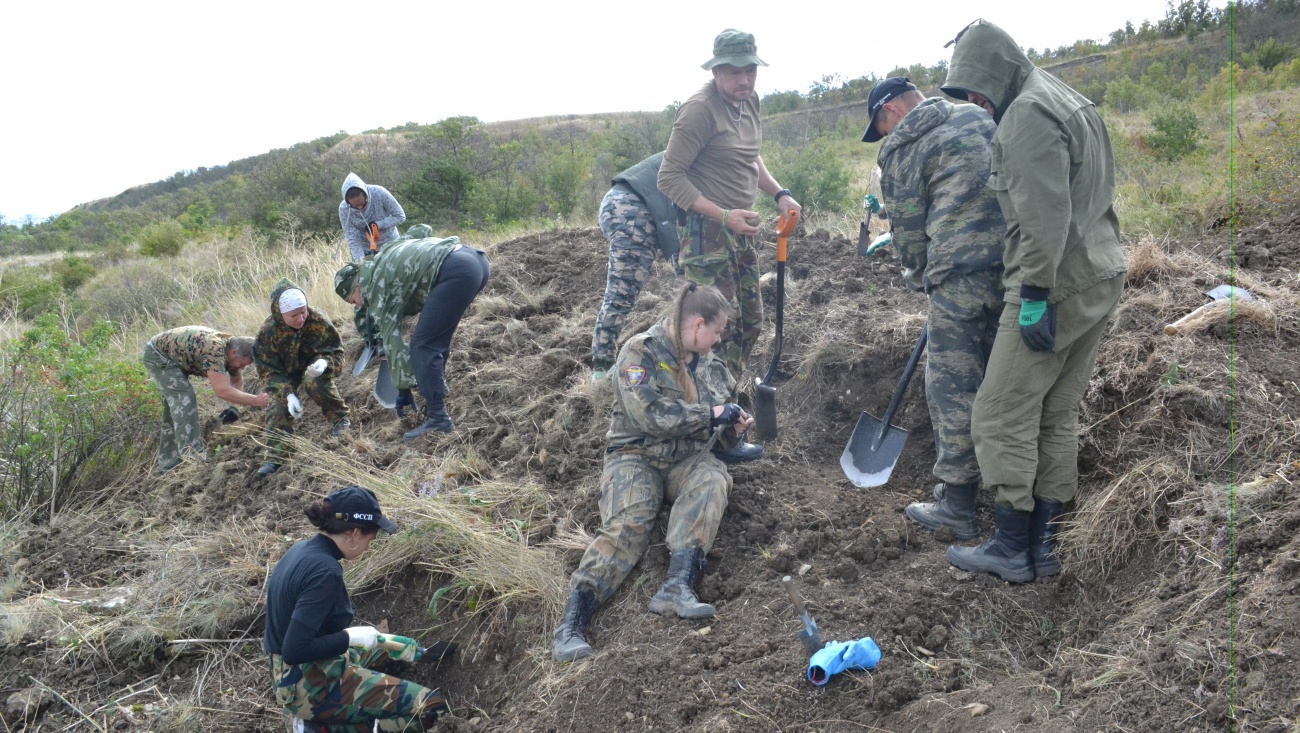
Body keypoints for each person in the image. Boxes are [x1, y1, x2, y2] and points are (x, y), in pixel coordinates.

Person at [939, 19, 1127, 582]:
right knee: (1055, 411)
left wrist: (1035, 296)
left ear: (992, 73)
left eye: (974, 88)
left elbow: (1044, 218)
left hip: (1056, 286)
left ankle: (1009, 545)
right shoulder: (1065, 97)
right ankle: (1044, 548)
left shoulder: (1024, 117)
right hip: (1101, 271)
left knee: (998, 412)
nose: (974, 101)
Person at [553, 283, 755, 662]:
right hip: (636, 456)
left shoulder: (713, 366)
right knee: (630, 520)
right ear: (697, 325)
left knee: (712, 480)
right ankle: (571, 625)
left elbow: (721, 438)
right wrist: (711, 415)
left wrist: (733, 430)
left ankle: (677, 587)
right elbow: (652, 416)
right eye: (717, 330)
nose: (719, 339)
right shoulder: (640, 352)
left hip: (686, 459)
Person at [861, 77, 1006, 542]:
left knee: (951, 383)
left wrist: (925, 276)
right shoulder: (979, 113)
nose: (883, 135)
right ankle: (1011, 494)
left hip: (960, 277)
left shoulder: (901, 147)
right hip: (1021, 267)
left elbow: (907, 233)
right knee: (1002, 379)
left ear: (891, 113)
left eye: (880, 126)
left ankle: (958, 504)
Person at [657, 28, 802, 464]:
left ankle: (726, 414)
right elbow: (669, 177)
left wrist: (779, 193)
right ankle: (707, 432)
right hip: (707, 236)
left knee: (748, 324)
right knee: (708, 335)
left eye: (750, 71)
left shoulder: (749, 102)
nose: (744, 80)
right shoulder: (699, 111)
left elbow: (749, 156)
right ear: (717, 71)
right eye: (735, 72)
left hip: (741, 232)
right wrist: (723, 215)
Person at [264, 485, 450, 731]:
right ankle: (320, 728)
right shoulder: (324, 572)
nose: (369, 547)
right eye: (369, 539)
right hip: (307, 684)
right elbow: (294, 650)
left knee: (391, 656)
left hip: (301, 670)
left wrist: (381, 641)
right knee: (433, 708)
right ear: (353, 533)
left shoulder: (302, 550)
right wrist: (351, 636)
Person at [334, 231, 490, 440]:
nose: (359, 305)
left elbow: (393, 342)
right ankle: (436, 397)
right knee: (436, 340)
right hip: (476, 260)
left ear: (356, 285)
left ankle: (438, 419)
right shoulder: (384, 256)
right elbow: (422, 228)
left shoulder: (375, 288)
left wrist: (403, 388)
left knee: (422, 346)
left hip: (456, 271)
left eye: (353, 300)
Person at [591, 151, 682, 382]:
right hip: (631, 209)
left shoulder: (691, 151)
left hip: (624, 202)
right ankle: (601, 373)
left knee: (622, 291)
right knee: (623, 290)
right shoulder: (699, 156)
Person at [253, 279, 350, 476]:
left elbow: (337, 354)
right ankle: (279, 455)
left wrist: (325, 363)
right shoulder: (267, 333)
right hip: (283, 373)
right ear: (280, 315)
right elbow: (268, 372)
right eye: (293, 315)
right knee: (276, 405)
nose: (300, 319)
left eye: (303, 311)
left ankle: (340, 421)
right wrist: (287, 394)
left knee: (315, 381)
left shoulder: (318, 319)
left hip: (313, 364)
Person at [141, 326, 269, 473]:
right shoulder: (215, 351)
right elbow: (221, 390)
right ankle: (193, 458)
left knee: (174, 409)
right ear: (234, 353)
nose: (242, 367)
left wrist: (235, 408)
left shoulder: (232, 350)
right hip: (158, 355)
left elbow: (236, 380)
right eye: (242, 363)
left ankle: (169, 463)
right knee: (184, 400)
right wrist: (256, 401)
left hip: (173, 354)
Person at [339, 172, 408, 356]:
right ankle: (372, 338)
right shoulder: (344, 209)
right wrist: (360, 262)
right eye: (355, 206)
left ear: (366, 194)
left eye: (362, 203)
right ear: (348, 203)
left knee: (394, 283)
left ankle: (399, 321)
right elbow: (352, 237)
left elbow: (400, 216)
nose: (359, 207)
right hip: (365, 249)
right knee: (365, 289)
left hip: (390, 244)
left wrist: (378, 224)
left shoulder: (379, 193)